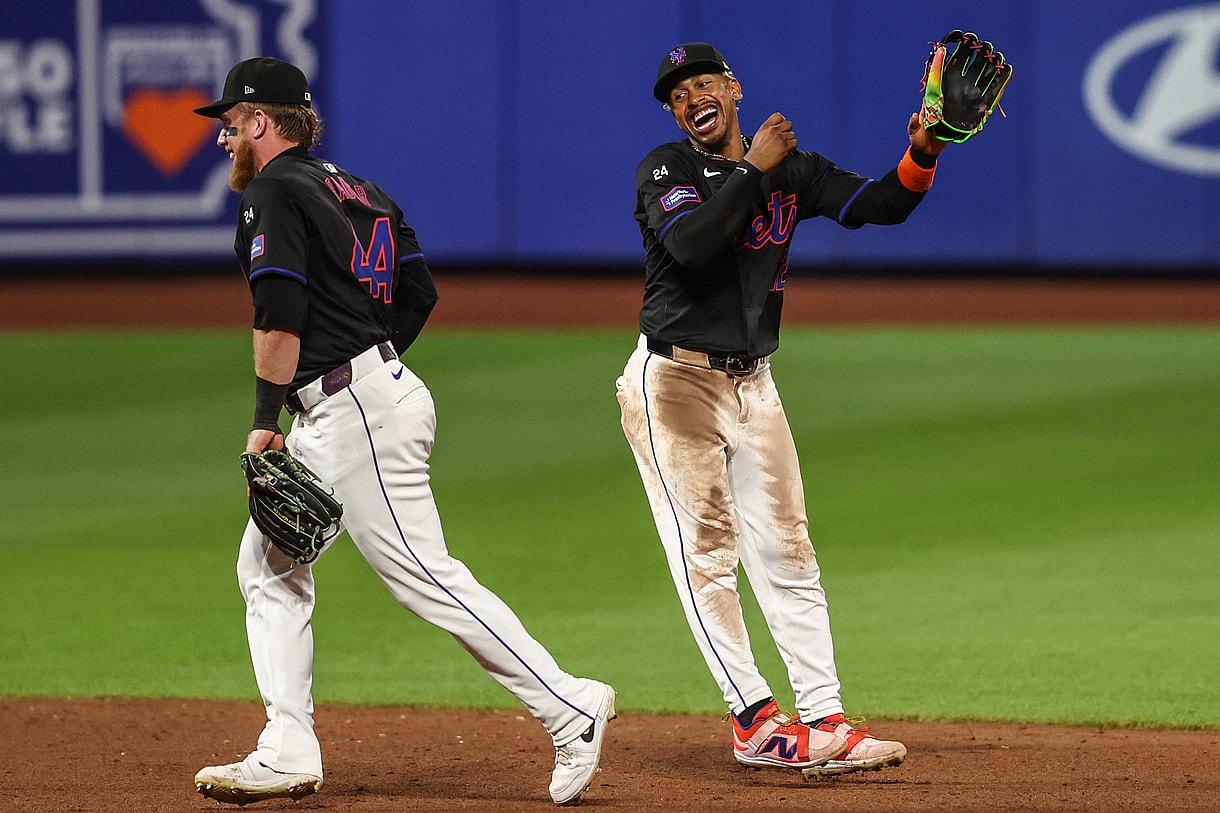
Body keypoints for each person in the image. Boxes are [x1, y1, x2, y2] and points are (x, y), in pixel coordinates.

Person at [190, 56, 615, 807]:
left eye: (230, 125)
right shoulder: (363, 190)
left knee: (425, 575)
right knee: (267, 564)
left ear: (261, 122)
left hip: (356, 410)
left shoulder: (273, 191)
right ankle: (287, 744)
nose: (224, 139)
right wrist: (373, 364)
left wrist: (266, 419)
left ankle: (570, 704)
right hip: (367, 395)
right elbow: (418, 293)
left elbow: (278, 315)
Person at [617, 42, 947, 777]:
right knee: (706, 560)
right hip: (673, 383)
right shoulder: (666, 169)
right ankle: (755, 722)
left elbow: (879, 205)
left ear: (733, 89)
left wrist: (923, 147)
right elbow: (696, 245)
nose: (690, 97)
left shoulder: (790, 171)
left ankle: (825, 718)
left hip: (753, 384)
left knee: (791, 554)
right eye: (676, 93)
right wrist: (751, 168)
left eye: (703, 82)